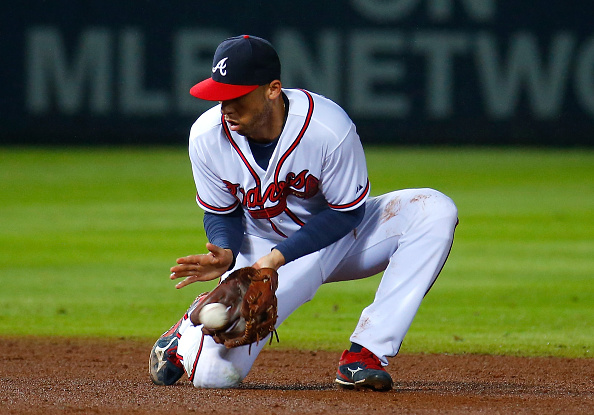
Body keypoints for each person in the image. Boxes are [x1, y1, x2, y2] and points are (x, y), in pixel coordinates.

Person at [148, 35, 458, 391]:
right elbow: (222, 212)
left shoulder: (327, 128)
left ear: (272, 89)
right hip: (259, 247)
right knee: (212, 378)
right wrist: (227, 250)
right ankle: (187, 331)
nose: (226, 106)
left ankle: (365, 354)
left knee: (434, 211)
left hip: (339, 238)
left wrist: (277, 260)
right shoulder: (206, 136)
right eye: (220, 96)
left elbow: (347, 213)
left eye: (236, 95)